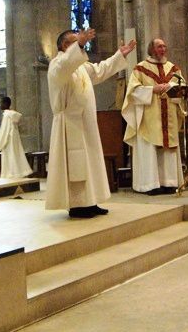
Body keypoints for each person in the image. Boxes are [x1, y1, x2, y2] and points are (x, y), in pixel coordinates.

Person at [46, 28, 136, 218]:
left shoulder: (81, 67)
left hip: (86, 123)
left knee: (90, 162)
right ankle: (78, 205)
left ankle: (90, 201)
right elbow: (64, 66)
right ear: (64, 46)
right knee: (76, 165)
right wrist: (79, 44)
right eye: (75, 41)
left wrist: (119, 55)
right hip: (69, 125)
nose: (81, 43)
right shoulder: (56, 65)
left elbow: (100, 71)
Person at [122, 38, 185, 195]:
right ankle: (150, 184)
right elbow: (133, 92)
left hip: (169, 115)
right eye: (159, 46)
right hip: (149, 117)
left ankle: (169, 183)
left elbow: (183, 88)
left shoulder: (174, 69)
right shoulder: (140, 69)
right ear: (151, 49)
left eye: (164, 46)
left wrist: (172, 87)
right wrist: (152, 90)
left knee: (168, 150)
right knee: (150, 150)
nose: (163, 49)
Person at [0, 96, 33, 179]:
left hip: (8, 141)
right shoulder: (11, 115)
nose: (0, 105)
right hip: (13, 140)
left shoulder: (7, 115)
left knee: (10, 157)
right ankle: (16, 173)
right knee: (15, 155)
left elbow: (5, 130)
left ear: (6, 104)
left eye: (1, 103)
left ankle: (11, 174)